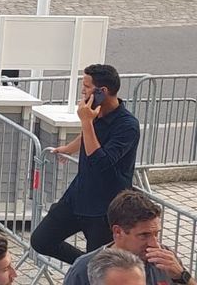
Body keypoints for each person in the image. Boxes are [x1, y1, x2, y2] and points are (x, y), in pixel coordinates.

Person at [31, 64, 141, 264]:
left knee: (101, 266)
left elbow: (101, 162)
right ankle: (87, 265)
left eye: (87, 86)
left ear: (102, 91)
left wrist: (87, 122)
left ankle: (92, 269)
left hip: (104, 209)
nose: (83, 91)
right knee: (41, 240)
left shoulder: (127, 126)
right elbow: (86, 138)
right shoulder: (95, 114)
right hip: (77, 197)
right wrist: (70, 148)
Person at [62, 189, 191, 285]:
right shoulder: (83, 269)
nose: (155, 244)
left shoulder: (166, 260)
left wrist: (182, 276)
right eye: (144, 235)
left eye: (156, 234)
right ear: (118, 232)